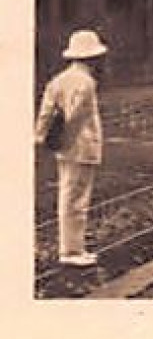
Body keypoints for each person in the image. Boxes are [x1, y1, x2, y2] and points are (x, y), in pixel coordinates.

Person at [35, 29, 109, 267]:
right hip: (82, 146)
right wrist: (67, 141)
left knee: (68, 196)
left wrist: (41, 139)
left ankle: (72, 248)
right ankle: (71, 251)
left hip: (64, 148)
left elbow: (45, 113)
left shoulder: (57, 81)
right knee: (76, 200)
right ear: (92, 58)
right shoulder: (87, 83)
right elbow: (77, 118)